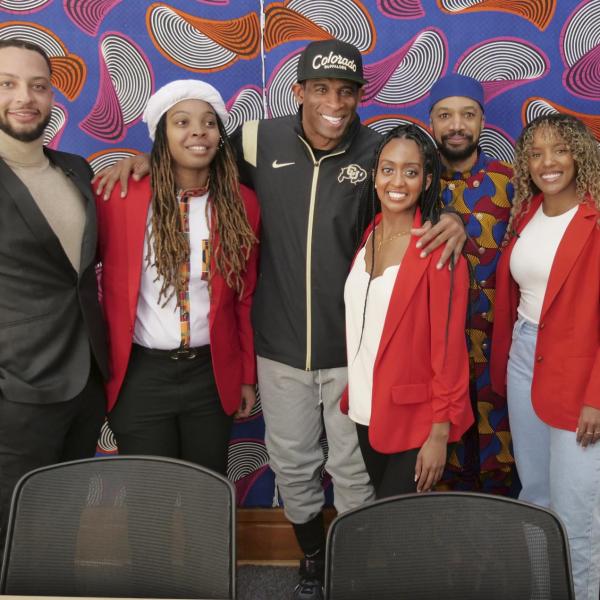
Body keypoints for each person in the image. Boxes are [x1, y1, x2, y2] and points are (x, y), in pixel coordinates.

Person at [93, 39, 465, 600]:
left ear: (361, 95)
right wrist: (147, 158)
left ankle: (357, 562)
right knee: (293, 468)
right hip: (278, 347)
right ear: (298, 92)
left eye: (345, 91)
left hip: (353, 352)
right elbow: (194, 154)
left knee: (351, 472)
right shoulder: (255, 138)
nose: (332, 102)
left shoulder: (376, 149)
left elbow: (411, 190)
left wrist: (452, 218)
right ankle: (312, 558)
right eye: (319, 89)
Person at [96, 80, 260, 475]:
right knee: (149, 497)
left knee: (208, 492)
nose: (198, 132)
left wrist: (246, 377)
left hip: (211, 373)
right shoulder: (119, 195)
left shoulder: (242, 203)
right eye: (181, 122)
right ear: (161, 134)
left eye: (208, 123)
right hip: (141, 375)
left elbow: (245, 296)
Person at [0, 39, 108, 544]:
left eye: (38, 86)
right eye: (8, 84)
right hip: (17, 389)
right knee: (11, 528)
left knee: (62, 522)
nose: (26, 97)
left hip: (86, 381)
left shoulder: (76, 170)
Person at [490, 113, 600, 600]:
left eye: (559, 149)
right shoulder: (527, 211)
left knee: (578, 511)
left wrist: (597, 396)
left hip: (581, 369)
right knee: (535, 495)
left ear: (581, 153)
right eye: (536, 153)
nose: (548, 162)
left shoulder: (596, 217)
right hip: (524, 356)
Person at [342, 123, 473, 498]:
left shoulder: (438, 251)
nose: (397, 181)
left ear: (427, 180)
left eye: (411, 171)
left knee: (398, 529)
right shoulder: (370, 232)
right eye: (388, 169)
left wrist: (439, 433)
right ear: (374, 175)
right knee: (389, 522)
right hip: (366, 409)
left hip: (415, 420)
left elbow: (449, 353)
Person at [428, 73, 517, 494]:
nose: (456, 125)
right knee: (441, 462)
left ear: (482, 121)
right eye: (445, 115)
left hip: (498, 348)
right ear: (431, 123)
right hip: (435, 353)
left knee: (503, 465)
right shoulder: (413, 184)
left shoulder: (513, 183)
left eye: (467, 115)